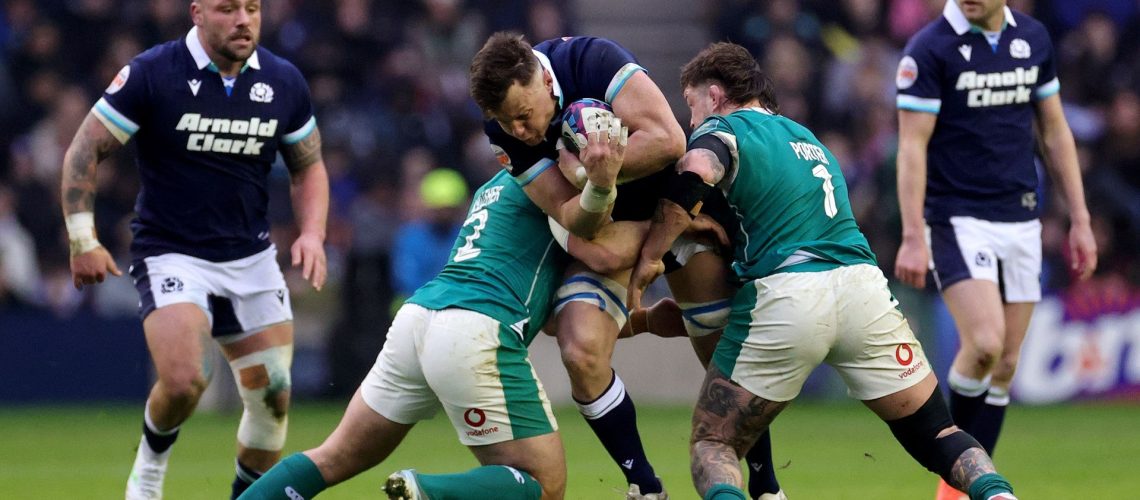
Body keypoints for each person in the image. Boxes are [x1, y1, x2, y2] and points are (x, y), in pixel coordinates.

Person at [627, 42, 1018, 500]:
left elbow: (698, 166)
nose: (691, 121)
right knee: (936, 433)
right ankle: (998, 494)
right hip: (865, 291)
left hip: (790, 294)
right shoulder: (807, 139)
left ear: (713, 96)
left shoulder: (724, 128)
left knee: (714, 443)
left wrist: (654, 251)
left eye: (692, 106)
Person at [237, 127, 631, 500]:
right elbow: (605, 252)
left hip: (419, 318)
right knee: (543, 485)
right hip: (475, 329)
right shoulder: (555, 189)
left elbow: (549, 314)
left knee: (334, 456)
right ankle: (425, 489)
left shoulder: (499, 184)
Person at [469, 31, 781, 499]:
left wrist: (593, 170)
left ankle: (766, 486)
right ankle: (645, 486)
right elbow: (576, 220)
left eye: (523, 116)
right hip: (614, 228)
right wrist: (591, 181)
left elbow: (669, 140)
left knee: (719, 358)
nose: (519, 132)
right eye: (504, 122)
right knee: (579, 351)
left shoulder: (592, 59)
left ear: (541, 80)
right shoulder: (503, 130)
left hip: (674, 206)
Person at [60, 1, 329, 498]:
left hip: (251, 258)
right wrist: (82, 238)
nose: (244, 20)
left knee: (272, 398)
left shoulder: (283, 80)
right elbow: (84, 149)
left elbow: (307, 165)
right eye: (228, 9)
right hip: (172, 252)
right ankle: (147, 473)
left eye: (252, 7)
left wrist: (312, 232)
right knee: (186, 380)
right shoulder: (151, 73)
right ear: (198, 13)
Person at [893, 2, 1097, 498]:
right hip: (958, 218)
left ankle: (968, 483)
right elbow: (913, 145)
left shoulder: (1033, 39)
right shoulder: (928, 49)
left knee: (1005, 362)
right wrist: (913, 234)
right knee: (983, 344)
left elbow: (1053, 130)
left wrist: (1081, 218)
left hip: (1021, 217)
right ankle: (955, 480)